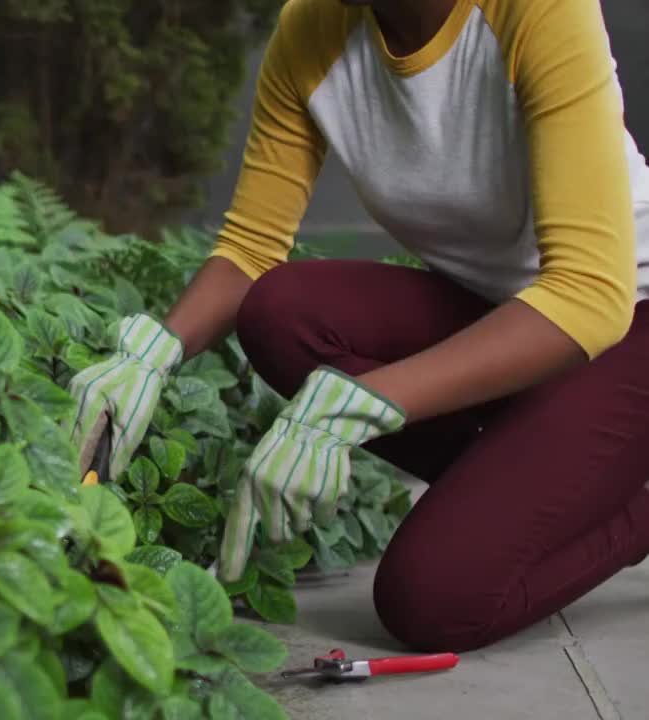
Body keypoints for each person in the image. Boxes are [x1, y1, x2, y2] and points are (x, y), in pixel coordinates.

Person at [68, 0, 649, 654]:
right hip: (500, 313)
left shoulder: (538, 11)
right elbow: (254, 247)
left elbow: (590, 292)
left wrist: (366, 401)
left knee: (433, 598)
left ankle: (624, 501)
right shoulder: (313, 27)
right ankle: (538, 483)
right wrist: (155, 351)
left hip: (628, 322)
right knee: (281, 313)